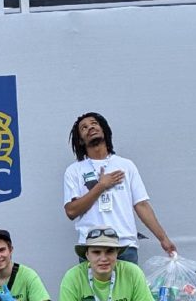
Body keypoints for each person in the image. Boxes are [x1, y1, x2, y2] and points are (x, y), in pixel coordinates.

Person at [63, 112, 175, 264]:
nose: (90, 128)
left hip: (124, 246)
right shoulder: (74, 170)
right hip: (92, 248)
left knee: (128, 289)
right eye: (84, 128)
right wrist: (101, 186)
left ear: (104, 130)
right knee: (92, 289)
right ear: (81, 140)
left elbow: (141, 205)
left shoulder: (126, 166)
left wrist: (164, 239)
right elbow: (71, 211)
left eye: (94, 123)